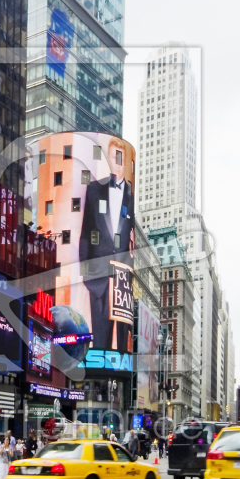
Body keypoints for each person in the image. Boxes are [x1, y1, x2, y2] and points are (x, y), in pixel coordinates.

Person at [78, 137, 136, 349]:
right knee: (100, 343)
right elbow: (85, 235)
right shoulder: (93, 189)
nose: (117, 163)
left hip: (122, 285)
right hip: (98, 281)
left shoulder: (131, 198)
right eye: (113, 158)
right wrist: (86, 276)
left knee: (122, 348)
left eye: (121, 158)